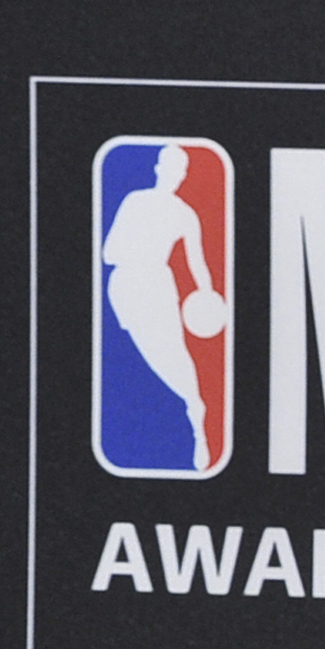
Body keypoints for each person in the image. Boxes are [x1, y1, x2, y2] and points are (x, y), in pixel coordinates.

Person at [100, 141, 222, 473]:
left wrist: (208, 294)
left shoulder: (185, 214)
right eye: (169, 167)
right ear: (158, 169)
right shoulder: (134, 201)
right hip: (126, 287)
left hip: (158, 286)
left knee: (174, 353)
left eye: (180, 170)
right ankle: (182, 412)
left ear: (183, 175)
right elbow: (108, 253)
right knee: (143, 357)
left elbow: (197, 262)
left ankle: (196, 415)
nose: (175, 175)